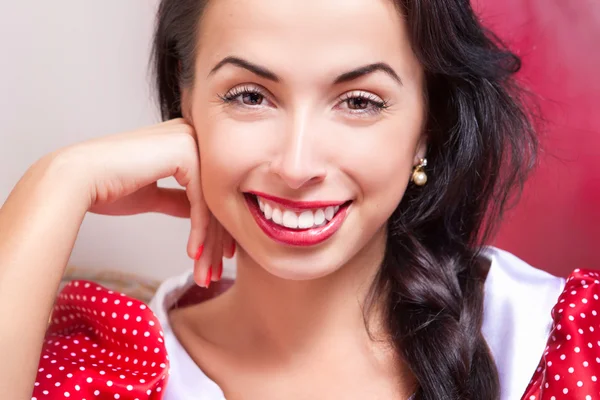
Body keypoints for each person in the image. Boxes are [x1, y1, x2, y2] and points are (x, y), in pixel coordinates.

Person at [0, 0, 598, 399]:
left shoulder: (551, 340)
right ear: (186, 100)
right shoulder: (112, 370)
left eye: (360, 101)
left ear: (429, 124)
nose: (296, 165)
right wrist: (55, 184)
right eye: (249, 95)